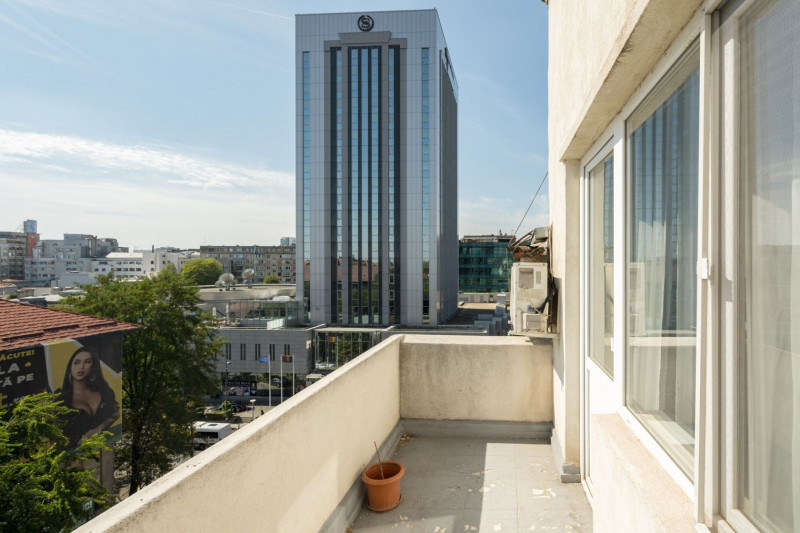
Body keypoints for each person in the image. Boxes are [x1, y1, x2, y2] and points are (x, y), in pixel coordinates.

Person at [57, 345, 119, 447]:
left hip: (100, 448)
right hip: (69, 458)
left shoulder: (105, 392)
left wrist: (98, 429)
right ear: (70, 367)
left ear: (93, 366)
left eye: (87, 362)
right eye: (77, 362)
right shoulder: (61, 401)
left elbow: (115, 412)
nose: (81, 367)